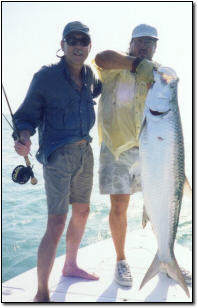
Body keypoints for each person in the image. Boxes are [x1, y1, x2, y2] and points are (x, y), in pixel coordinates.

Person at [13, 21, 102, 302]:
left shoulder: (89, 76)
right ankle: (42, 291)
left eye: (83, 40)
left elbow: (101, 89)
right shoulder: (46, 77)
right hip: (57, 156)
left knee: (83, 211)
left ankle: (71, 264)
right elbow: (25, 116)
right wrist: (23, 138)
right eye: (72, 40)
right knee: (56, 221)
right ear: (62, 45)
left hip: (85, 152)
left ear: (88, 46)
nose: (78, 45)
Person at [94, 24, 159, 287]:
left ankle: (165, 258)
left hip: (150, 150)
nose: (145, 46)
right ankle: (121, 261)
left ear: (156, 47)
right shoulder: (114, 67)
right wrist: (135, 64)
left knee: (158, 205)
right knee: (119, 206)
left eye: (151, 43)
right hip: (117, 149)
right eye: (140, 42)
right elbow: (100, 57)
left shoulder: (156, 72)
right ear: (131, 43)